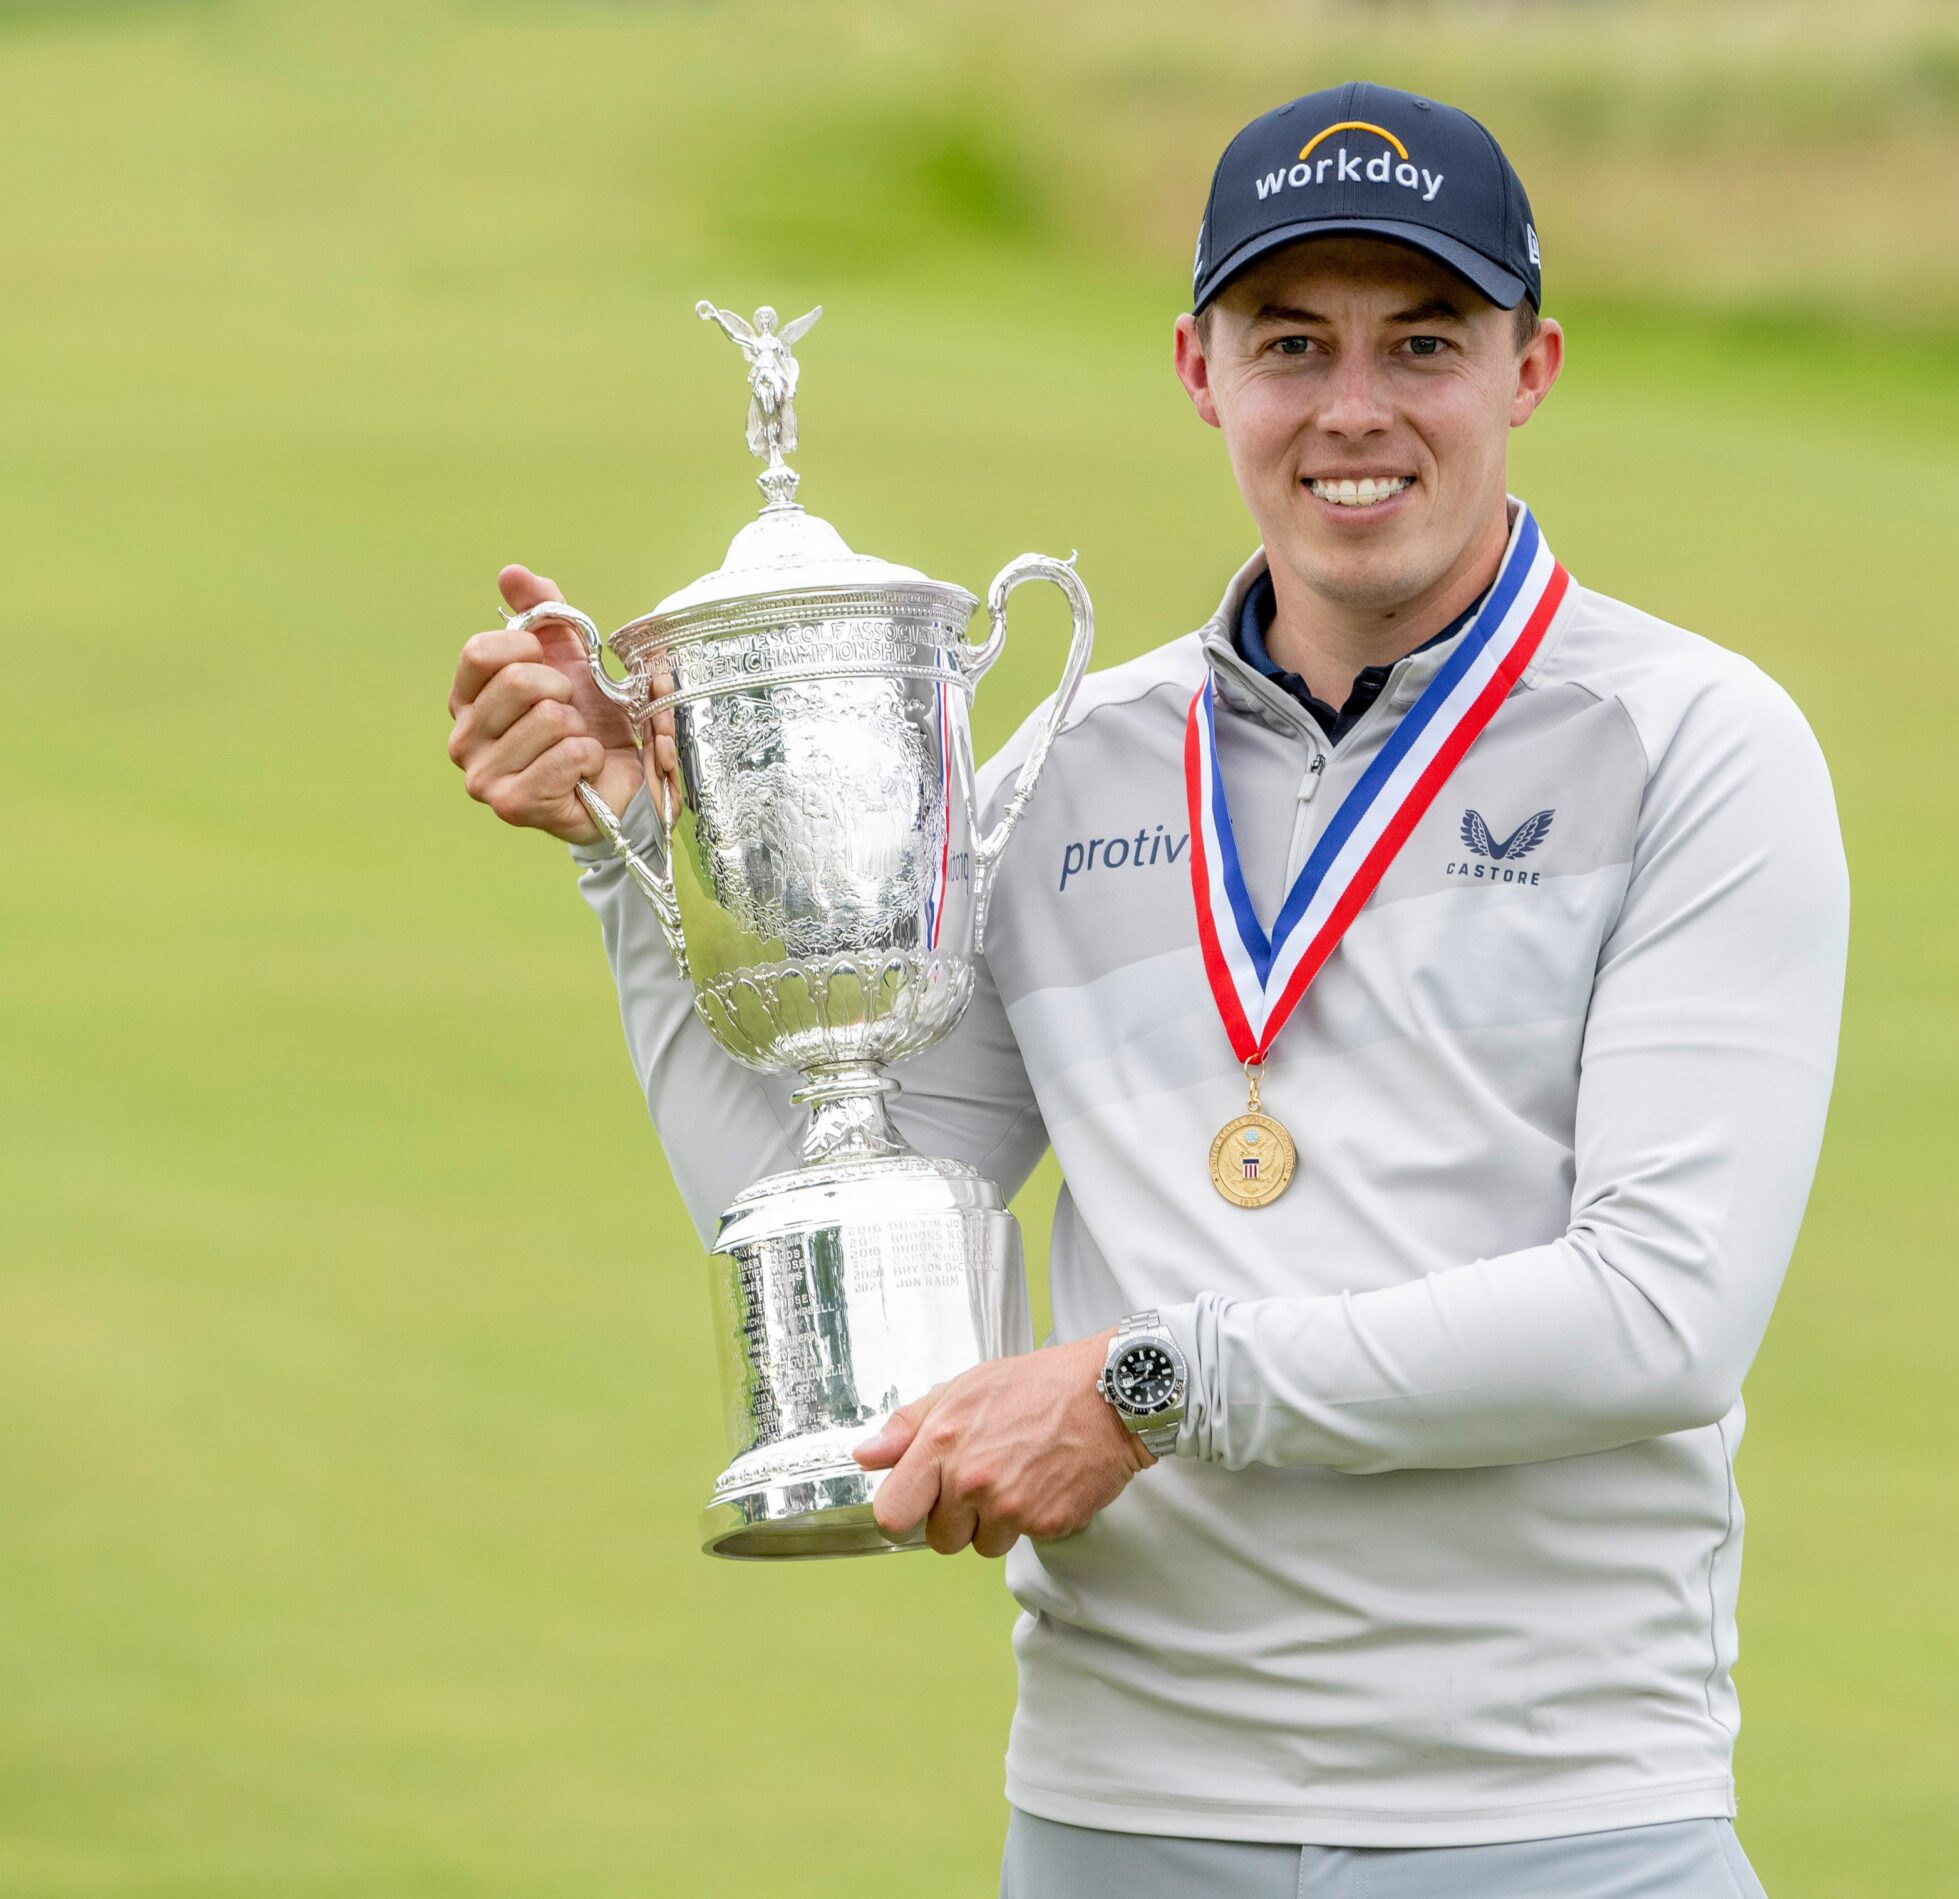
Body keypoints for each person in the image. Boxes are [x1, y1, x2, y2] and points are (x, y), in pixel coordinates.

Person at [446, 80, 1848, 1899]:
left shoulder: (1691, 742)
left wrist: (1142, 1387)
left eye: (1423, 339)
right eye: (1292, 342)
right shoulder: (1077, 761)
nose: (1355, 409)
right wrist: (646, 861)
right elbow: (854, 1251)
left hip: (1557, 1818)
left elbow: (1661, 1313)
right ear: (1199, 368)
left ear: (1532, 366)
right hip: (1122, 1822)